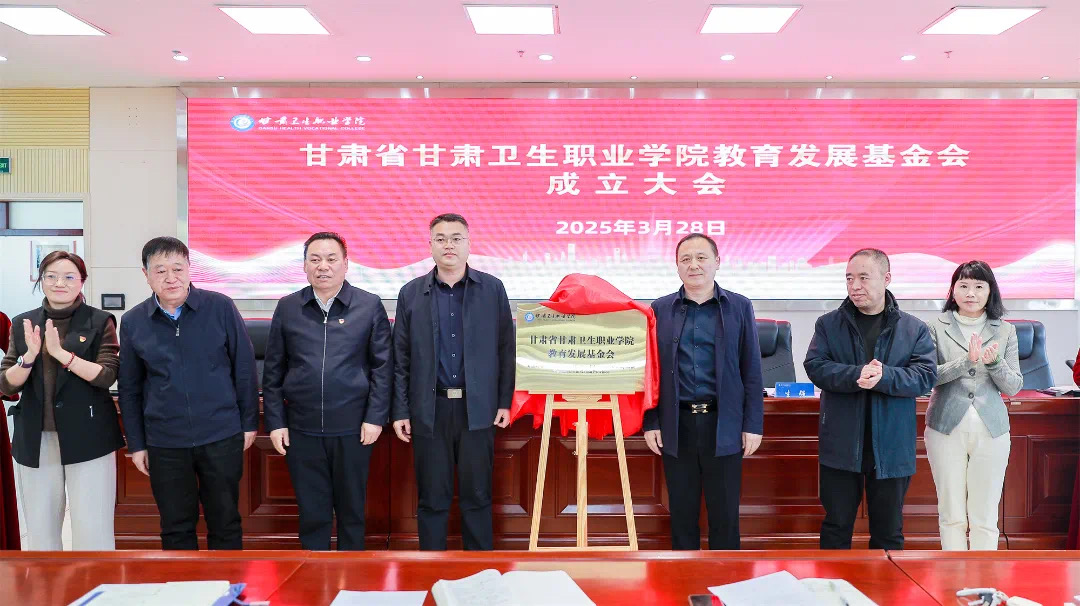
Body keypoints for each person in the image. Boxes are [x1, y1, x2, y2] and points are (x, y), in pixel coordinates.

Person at [118, 236, 258, 550]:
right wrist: (137, 444)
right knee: (175, 527)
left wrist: (249, 422)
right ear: (146, 275)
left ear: (190, 269)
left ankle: (227, 581)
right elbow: (129, 388)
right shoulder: (134, 322)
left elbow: (244, 367)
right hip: (165, 441)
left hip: (220, 434)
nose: (171, 278)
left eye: (178, 268)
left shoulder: (220, 307)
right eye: (160, 270)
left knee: (225, 522)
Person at [391, 213, 514, 550]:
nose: (449, 245)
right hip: (429, 410)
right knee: (432, 498)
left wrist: (504, 401)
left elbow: (506, 349)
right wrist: (400, 410)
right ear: (430, 245)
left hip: (479, 410)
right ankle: (431, 570)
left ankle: (481, 571)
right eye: (441, 238)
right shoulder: (411, 293)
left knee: (478, 497)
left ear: (468, 244)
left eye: (456, 238)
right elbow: (401, 358)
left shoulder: (492, 289)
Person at [262, 232, 392, 550]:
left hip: (354, 428)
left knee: (352, 512)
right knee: (312, 514)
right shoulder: (288, 307)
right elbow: (273, 370)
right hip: (302, 428)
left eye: (332, 259)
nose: (323, 266)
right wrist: (276, 422)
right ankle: (313, 575)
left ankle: (352, 576)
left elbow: (383, 368)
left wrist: (375, 418)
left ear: (346, 264)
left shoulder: (368, 305)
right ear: (304, 265)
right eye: (315, 259)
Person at [804, 248, 937, 550]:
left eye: (864, 278)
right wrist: (857, 374)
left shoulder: (913, 328)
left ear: (886, 278)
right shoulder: (828, 324)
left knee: (888, 532)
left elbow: (925, 375)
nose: (855, 286)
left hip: (891, 446)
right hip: (841, 443)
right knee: (836, 527)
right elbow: (816, 366)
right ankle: (832, 583)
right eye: (849, 278)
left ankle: (886, 582)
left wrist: (885, 376)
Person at [643, 233, 763, 550]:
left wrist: (753, 424)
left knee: (725, 516)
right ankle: (684, 577)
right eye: (685, 259)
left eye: (701, 257)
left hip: (723, 424)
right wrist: (651, 421)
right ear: (677, 266)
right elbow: (651, 371)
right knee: (682, 515)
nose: (693, 265)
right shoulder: (660, 309)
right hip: (676, 425)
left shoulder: (739, 307)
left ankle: (727, 577)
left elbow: (751, 369)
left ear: (717, 262)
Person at [0, 251, 123, 550]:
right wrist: (29, 357)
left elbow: (107, 375)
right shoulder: (23, 322)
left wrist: (61, 354)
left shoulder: (100, 321)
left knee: (93, 531)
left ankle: (93, 581)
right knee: (41, 532)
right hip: (36, 437)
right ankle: (47, 582)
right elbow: (6, 382)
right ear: (41, 280)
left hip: (90, 436)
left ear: (82, 281)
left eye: (69, 277)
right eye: (51, 276)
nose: (60, 283)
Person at [925, 260, 1022, 550]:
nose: (971, 293)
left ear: (990, 291)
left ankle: (984, 575)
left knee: (985, 515)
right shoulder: (935, 327)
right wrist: (965, 361)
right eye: (964, 285)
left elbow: (1014, 386)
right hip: (945, 426)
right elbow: (928, 376)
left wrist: (995, 363)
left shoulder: (1005, 330)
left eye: (979, 286)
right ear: (953, 290)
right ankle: (953, 574)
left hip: (992, 428)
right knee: (952, 513)